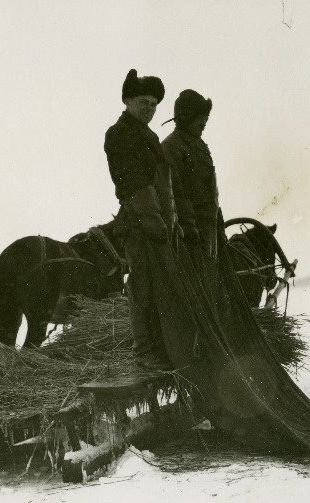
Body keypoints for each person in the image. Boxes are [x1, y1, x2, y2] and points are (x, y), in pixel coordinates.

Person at [104, 69, 179, 371]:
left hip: (158, 220)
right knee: (142, 286)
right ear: (127, 101)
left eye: (154, 105)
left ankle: (160, 347)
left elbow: (162, 181)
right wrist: (157, 223)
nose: (149, 109)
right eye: (143, 102)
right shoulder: (120, 133)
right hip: (140, 222)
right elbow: (133, 183)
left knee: (159, 285)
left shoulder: (147, 135)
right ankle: (143, 350)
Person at [160, 89, 225, 258]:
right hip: (188, 234)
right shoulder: (171, 147)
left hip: (209, 230)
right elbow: (175, 193)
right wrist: (189, 229)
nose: (204, 122)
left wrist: (219, 227)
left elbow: (212, 192)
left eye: (206, 118)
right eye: (200, 118)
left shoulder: (201, 146)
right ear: (186, 117)